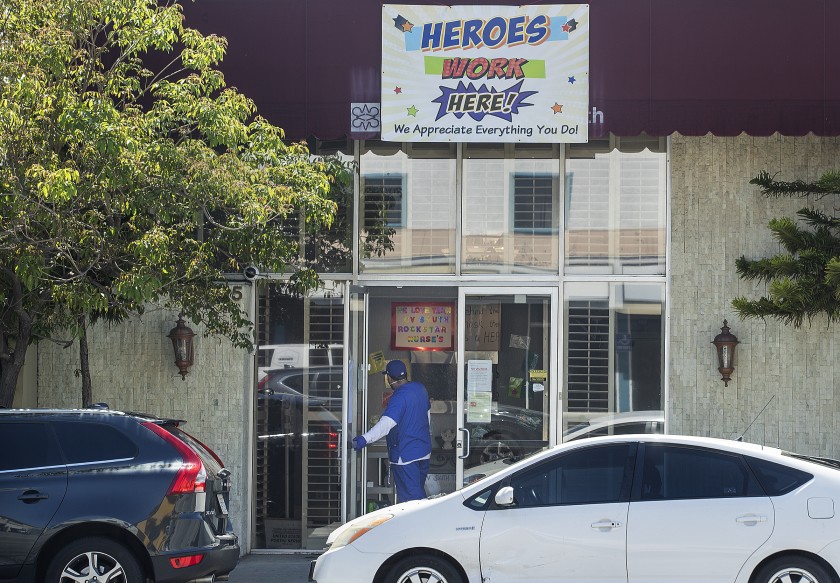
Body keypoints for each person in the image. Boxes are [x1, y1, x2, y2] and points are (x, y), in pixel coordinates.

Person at [352, 360, 432, 502]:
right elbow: (427, 418)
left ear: (389, 378)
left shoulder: (399, 396)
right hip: (423, 452)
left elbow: (387, 423)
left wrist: (365, 439)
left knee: (411, 503)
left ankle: (418, 524)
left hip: (406, 456)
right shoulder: (420, 389)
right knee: (419, 495)